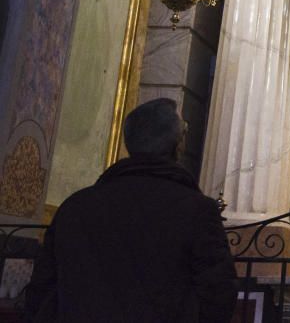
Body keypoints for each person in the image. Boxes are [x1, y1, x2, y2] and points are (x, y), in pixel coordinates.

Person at [26, 98, 237, 322]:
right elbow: (218, 295)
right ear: (179, 145)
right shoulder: (197, 211)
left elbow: (42, 292)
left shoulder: (75, 208)